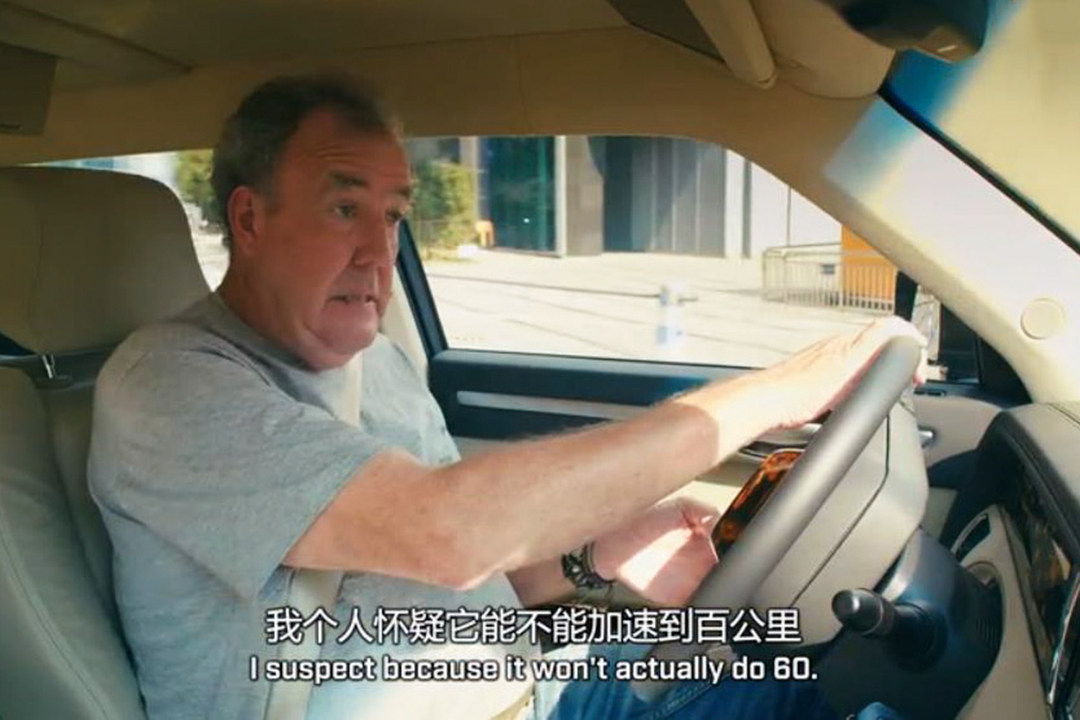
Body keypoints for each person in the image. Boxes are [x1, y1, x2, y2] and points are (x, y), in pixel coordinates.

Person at [88, 74, 926, 720]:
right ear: (249, 220)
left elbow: (465, 573)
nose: (378, 253)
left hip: (527, 686)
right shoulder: (168, 387)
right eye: (344, 207)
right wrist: (778, 392)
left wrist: (595, 555)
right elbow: (447, 535)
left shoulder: (376, 362)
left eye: (393, 216)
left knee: (830, 678)